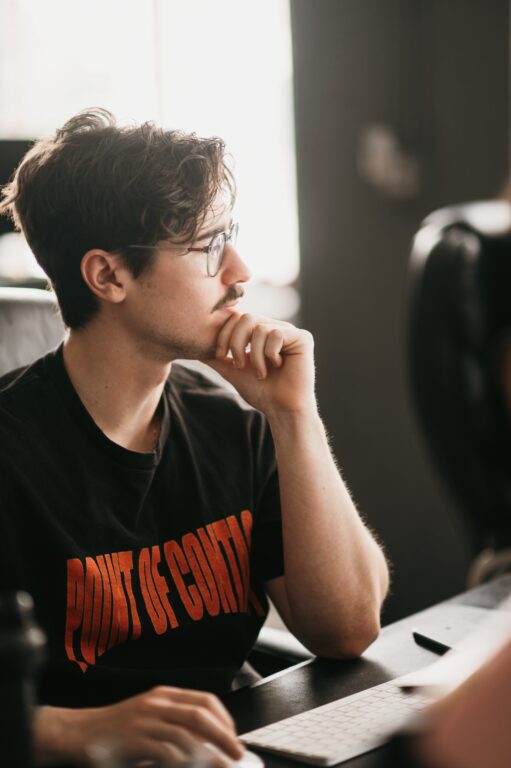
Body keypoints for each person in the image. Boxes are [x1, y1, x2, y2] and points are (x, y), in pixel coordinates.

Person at [0, 108, 389, 766]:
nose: (238, 270)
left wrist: (293, 416)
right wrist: (68, 733)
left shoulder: (230, 422)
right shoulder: (13, 455)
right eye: (208, 245)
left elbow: (346, 631)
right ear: (108, 276)